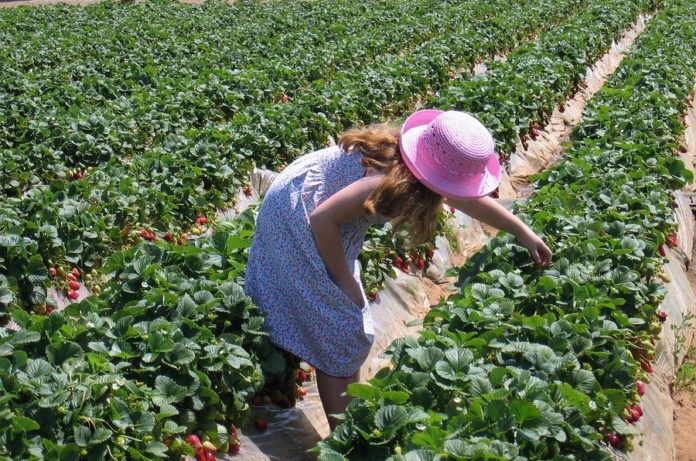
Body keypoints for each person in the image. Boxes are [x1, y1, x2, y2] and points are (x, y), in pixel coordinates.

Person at [244, 109, 552, 430]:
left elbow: (469, 201)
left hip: (319, 211)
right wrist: (343, 278)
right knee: (342, 329)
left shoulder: (411, 165)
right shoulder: (390, 183)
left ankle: (345, 409)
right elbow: (323, 219)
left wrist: (522, 232)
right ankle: (344, 435)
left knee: (346, 325)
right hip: (299, 217)